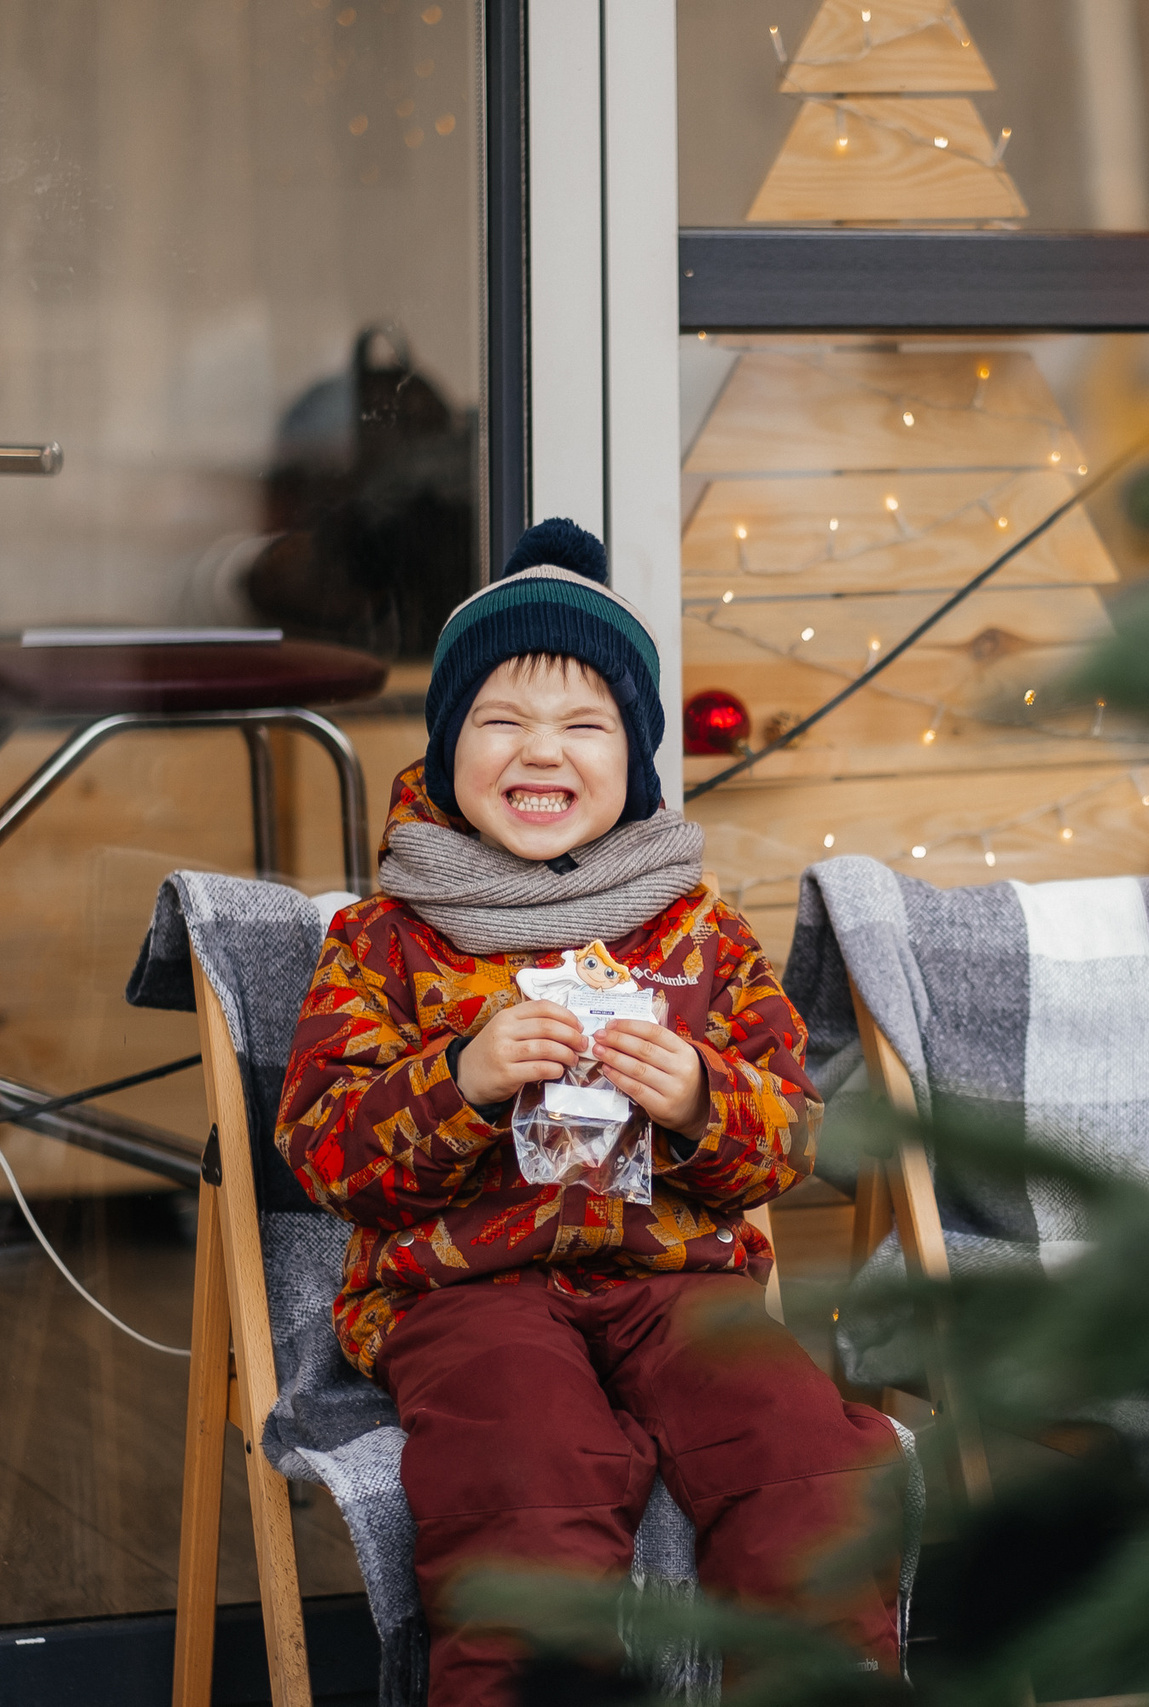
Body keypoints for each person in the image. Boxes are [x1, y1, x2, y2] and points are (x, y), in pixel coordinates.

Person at [275, 519, 899, 1705]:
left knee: (800, 1454)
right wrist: (457, 1079)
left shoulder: (695, 930)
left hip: (681, 1281)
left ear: (637, 759)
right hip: (468, 1290)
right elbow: (325, 1153)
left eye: (582, 724)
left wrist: (701, 1098)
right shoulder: (390, 937)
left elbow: (797, 1138)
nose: (537, 751)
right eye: (499, 722)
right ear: (450, 745)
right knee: (524, 1472)